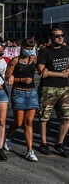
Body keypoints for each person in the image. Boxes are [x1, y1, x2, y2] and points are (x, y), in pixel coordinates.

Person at [4, 38, 39, 161]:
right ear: (21, 47)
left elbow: (42, 67)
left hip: (32, 93)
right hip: (18, 93)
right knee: (18, 122)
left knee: (29, 122)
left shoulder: (34, 59)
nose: (29, 51)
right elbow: (7, 77)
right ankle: (8, 137)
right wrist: (20, 80)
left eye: (31, 49)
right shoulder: (15, 60)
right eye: (27, 48)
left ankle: (30, 151)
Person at [36, 28, 69, 158]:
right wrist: (61, 74)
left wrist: (50, 72)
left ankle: (59, 143)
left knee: (66, 118)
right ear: (51, 38)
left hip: (65, 89)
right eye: (57, 36)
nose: (60, 38)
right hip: (48, 88)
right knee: (44, 118)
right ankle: (43, 143)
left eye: (62, 35)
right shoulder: (44, 52)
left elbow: (47, 71)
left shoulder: (67, 50)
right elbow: (41, 71)